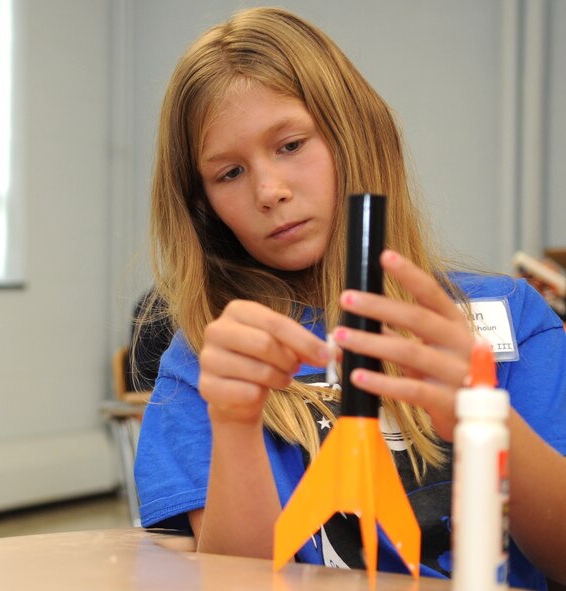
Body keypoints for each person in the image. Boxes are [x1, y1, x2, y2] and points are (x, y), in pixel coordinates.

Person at [133, 7, 566, 590]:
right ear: (202, 204)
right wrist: (234, 423)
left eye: (290, 145)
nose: (270, 191)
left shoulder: (510, 319)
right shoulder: (207, 363)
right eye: (229, 172)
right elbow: (236, 579)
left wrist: (486, 418)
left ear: (354, 135)